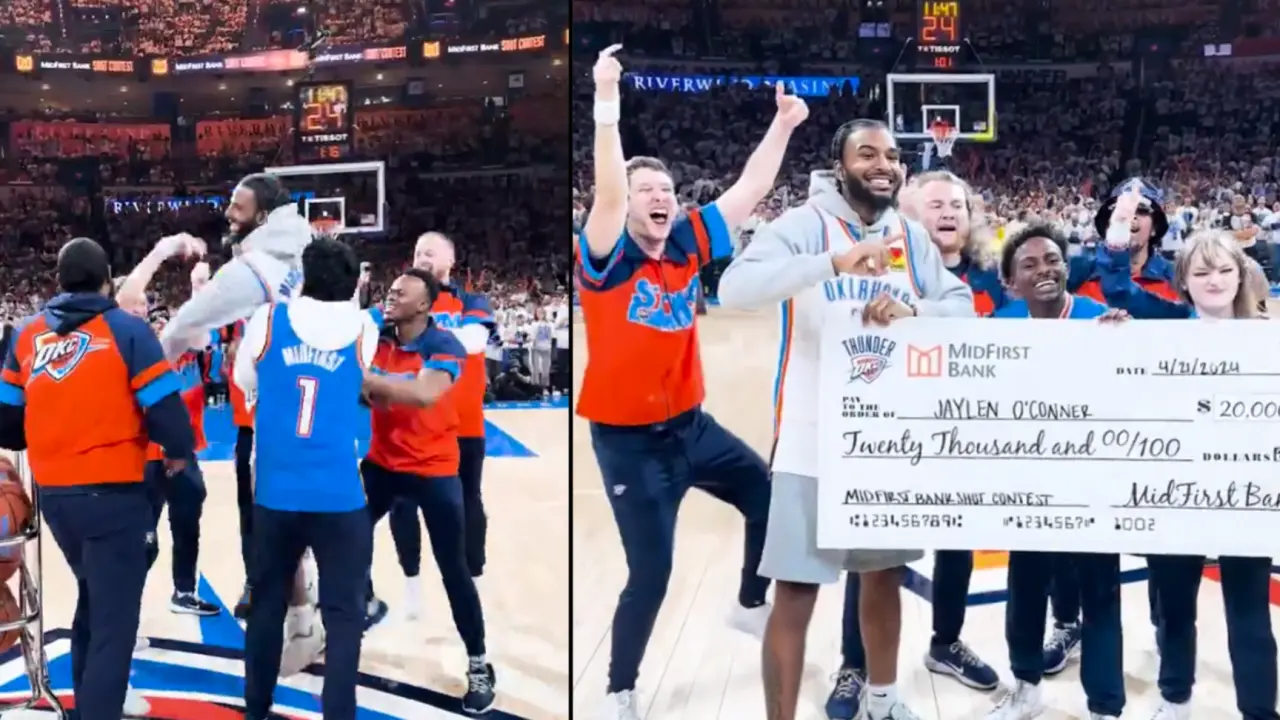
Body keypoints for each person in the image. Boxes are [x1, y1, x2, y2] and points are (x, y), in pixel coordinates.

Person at [718, 119, 975, 720]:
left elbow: (959, 303)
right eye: (867, 153)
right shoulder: (803, 226)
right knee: (797, 589)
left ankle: (882, 702)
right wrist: (830, 265)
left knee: (883, 575)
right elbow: (735, 288)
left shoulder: (907, 235)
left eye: (890, 155)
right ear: (840, 166)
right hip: (810, 437)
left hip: (884, 441)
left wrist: (915, 309)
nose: (882, 163)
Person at [579, 44, 806, 719]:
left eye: (667, 192)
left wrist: (785, 124)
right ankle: (621, 685)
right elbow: (610, 188)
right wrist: (606, 100)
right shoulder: (604, 253)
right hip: (628, 445)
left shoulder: (687, 241)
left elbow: (749, 190)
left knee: (767, 499)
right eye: (647, 190)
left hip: (693, 427)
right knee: (651, 575)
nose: (660, 198)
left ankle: (747, 606)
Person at [825, 169, 1000, 719]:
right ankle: (855, 663)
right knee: (871, 556)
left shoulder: (995, 278)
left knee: (958, 545)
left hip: (965, 429)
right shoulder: (879, 269)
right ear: (906, 216)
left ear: (970, 219)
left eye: (957, 204)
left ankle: (945, 643)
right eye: (934, 204)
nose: (948, 212)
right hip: (891, 430)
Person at [0, 237, 195, 720]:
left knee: (94, 601)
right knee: (115, 626)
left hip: (57, 499)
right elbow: (168, 413)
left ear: (59, 282)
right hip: (114, 494)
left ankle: (89, 707)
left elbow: (7, 428)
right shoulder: (127, 330)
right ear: (108, 280)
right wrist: (177, 454)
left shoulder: (25, 336)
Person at [1098, 223, 1277, 720]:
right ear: (1184, 280)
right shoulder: (1163, 322)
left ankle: (1260, 711)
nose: (1215, 280)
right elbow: (1116, 286)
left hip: (1246, 493)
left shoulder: (1268, 341)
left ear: (1241, 277)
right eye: (1202, 271)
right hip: (1173, 490)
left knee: (1250, 615)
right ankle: (1176, 696)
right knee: (1174, 606)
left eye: (1224, 270)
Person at [233, 237, 380, 720]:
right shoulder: (364, 327)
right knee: (343, 617)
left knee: (266, 608)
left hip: (277, 494)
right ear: (354, 280)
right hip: (339, 495)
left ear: (305, 275)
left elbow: (243, 381)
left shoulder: (269, 320)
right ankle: (339, 712)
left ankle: (256, 709)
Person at [984, 224, 1127, 720]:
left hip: (1093, 482)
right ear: (1010, 282)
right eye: (1030, 264)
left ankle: (1106, 707)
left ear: (1067, 268)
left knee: (1101, 595)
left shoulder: (1103, 321)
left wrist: (1127, 347)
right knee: (1024, 587)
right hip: (1028, 485)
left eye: (1052, 260)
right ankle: (1026, 687)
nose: (1044, 269)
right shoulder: (996, 329)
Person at [361, 268, 497, 713]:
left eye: (401, 293)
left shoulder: (444, 345)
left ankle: (478, 662)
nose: (391, 295)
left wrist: (367, 383)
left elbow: (423, 394)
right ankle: (357, 608)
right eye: (390, 289)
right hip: (382, 464)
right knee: (344, 536)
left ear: (424, 306)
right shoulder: (377, 335)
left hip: (434, 470)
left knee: (453, 569)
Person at [115, 234, 223, 617]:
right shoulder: (121, 347)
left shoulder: (166, 344)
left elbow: (198, 332)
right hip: (141, 456)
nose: (143, 308)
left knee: (187, 524)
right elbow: (128, 299)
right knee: (143, 540)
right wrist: (162, 250)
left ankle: (184, 592)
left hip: (181, 450)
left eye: (147, 304)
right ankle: (127, 609)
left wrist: (199, 290)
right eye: (137, 304)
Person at [159, 172, 310, 361]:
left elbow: (184, 325)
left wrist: (151, 372)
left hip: (277, 379)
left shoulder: (250, 270)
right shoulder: (308, 248)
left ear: (262, 217)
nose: (228, 212)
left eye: (238, 208)